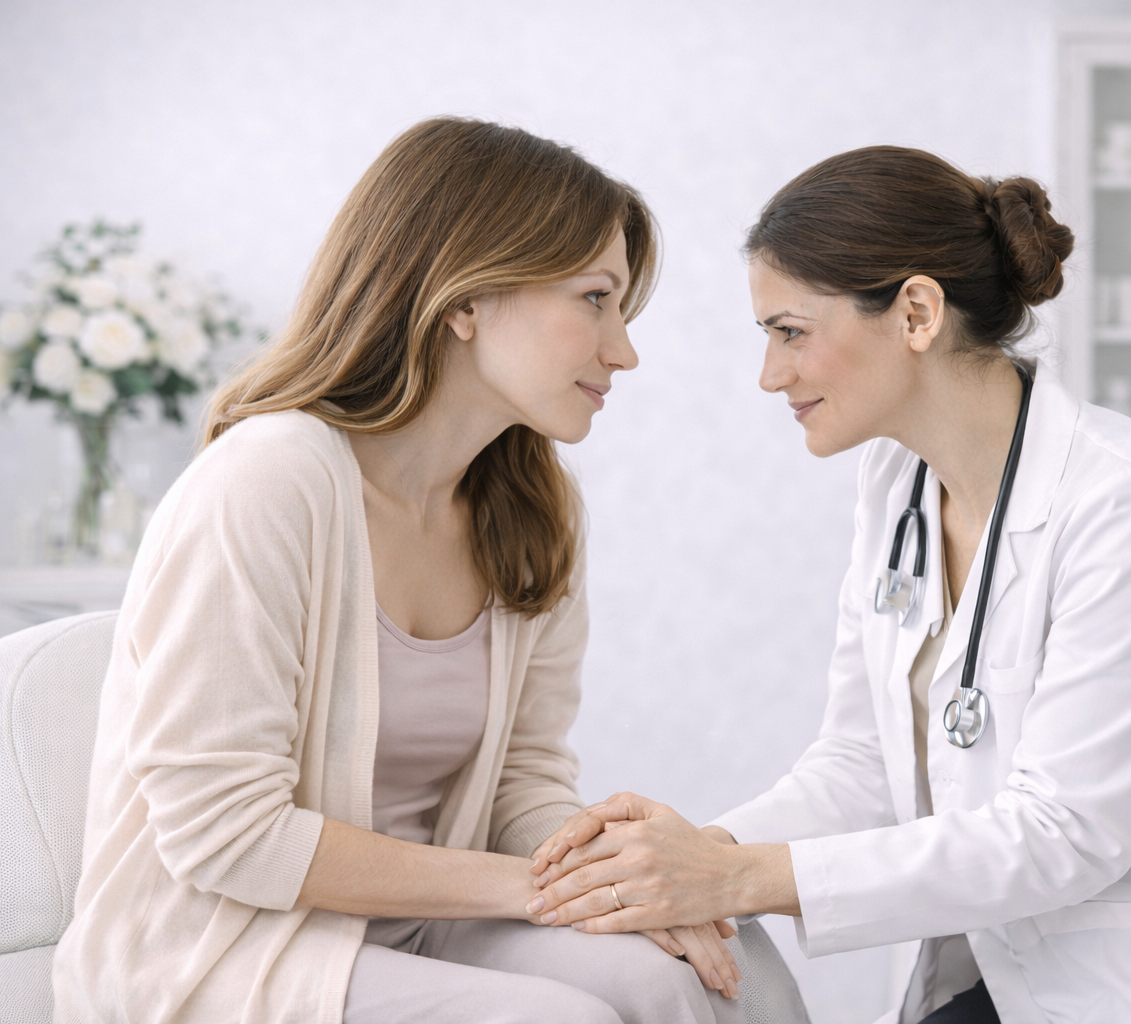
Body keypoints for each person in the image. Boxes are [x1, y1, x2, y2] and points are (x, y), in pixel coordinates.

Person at [523, 146, 1131, 1024]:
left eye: (790, 332)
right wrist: (699, 854)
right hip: (1007, 981)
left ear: (917, 312)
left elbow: (1064, 833)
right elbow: (864, 764)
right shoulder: (897, 488)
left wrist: (739, 879)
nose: (771, 375)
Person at [52, 117, 746, 1024]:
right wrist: (539, 893)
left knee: (675, 976)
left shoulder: (536, 510)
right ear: (465, 299)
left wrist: (623, 879)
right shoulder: (269, 480)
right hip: (215, 950)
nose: (623, 350)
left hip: (414, 929)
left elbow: (523, 785)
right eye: (594, 299)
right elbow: (226, 837)